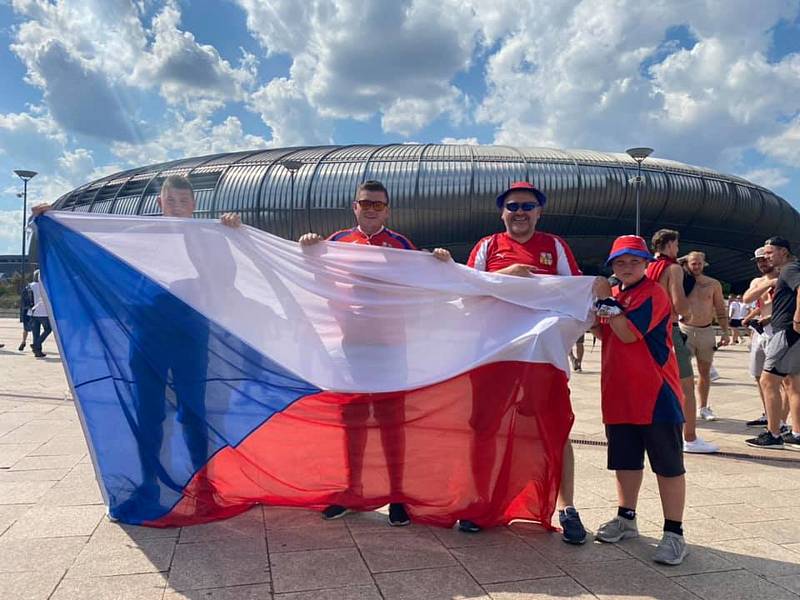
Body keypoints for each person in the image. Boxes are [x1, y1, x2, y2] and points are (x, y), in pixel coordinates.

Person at [32, 175, 243, 507]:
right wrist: (51, 219)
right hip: (147, 335)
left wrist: (230, 232)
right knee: (148, 412)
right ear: (159, 203)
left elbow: (227, 277)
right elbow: (90, 241)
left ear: (194, 205)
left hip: (191, 334)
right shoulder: (140, 236)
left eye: (183, 202)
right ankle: (148, 485)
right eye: (170, 201)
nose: (176, 207)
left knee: (194, 411)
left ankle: (204, 486)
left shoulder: (207, 236)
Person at [299, 179, 451, 527]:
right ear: (354, 206)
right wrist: (307, 246)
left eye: (378, 205)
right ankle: (352, 491)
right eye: (365, 203)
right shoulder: (336, 242)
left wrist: (441, 261)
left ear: (388, 210)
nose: (370, 209)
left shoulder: (400, 245)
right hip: (351, 348)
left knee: (391, 426)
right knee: (352, 427)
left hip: (392, 349)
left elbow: (429, 278)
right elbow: (307, 274)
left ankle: (397, 496)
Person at [465, 181, 589, 543]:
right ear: (502, 212)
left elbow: (576, 289)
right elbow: (467, 286)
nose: (520, 212)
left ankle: (567, 509)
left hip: (540, 357)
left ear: (539, 211)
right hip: (494, 354)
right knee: (485, 429)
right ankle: (479, 502)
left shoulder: (554, 246)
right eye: (513, 206)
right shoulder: (488, 246)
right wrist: (507, 276)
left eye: (528, 206)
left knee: (555, 427)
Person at [592, 235, 688, 566]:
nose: (627, 267)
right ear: (612, 266)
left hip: (656, 394)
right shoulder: (615, 295)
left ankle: (674, 533)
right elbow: (603, 332)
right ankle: (626, 518)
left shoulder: (653, 294)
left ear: (646, 263)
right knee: (625, 461)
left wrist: (606, 302)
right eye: (620, 262)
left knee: (668, 465)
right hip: (619, 394)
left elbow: (628, 333)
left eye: (634, 261)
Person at [645, 230, 717, 453]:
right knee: (685, 383)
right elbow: (679, 303)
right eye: (676, 245)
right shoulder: (673, 268)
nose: (678, 249)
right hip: (669, 329)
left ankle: (651, 431)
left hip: (648, 331)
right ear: (669, 245)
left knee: (655, 382)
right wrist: (686, 312)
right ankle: (691, 438)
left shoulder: (648, 266)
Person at [745, 237, 800, 449]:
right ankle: (796, 433)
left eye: (769, 253)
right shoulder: (791, 268)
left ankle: (774, 434)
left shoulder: (789, 269)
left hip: (786, 332)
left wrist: (797, 318)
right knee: (794, 384)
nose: (765, 257)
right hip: (787, 329)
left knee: (768, 381)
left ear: (783, 252)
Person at [679, 251, 731, 421]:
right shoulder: (681, 282)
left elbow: (720, 309)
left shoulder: (713, 284)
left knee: (705, 371)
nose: (697, 267)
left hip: (706, 330)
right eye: (693, 263)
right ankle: (682, 406)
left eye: (699, 263)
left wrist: (725, 331)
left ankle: (703, 407)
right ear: (687, 263)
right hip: (685, 329)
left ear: (704, 264)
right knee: (681, 372)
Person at [741, 247, 788, 429]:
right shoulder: (758, 281)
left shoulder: (786, 277)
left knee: (782, 379)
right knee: (759, 375)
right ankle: (768, 414)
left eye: (765, 259)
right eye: (759, 261)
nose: (762, 263)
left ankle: (781, 420)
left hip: (777, 331)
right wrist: (751, 316)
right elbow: (750, 300)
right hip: (760, 333)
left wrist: (770, 317)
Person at [29, 270, 52, 358]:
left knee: (35, 333)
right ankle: (37, 345)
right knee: (48, 329)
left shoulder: (29, 286)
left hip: (32, 312)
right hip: (43, 312)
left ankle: (37, 351)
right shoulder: (45, 286)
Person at [18, 281, 34, 351]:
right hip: (34, 311)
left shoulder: (26, 289)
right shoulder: (37, 288)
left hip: (26, 311)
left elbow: (22, 302)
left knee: (25, 329)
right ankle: (35, 344)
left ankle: (23, 342)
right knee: (35, 329)